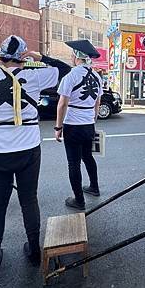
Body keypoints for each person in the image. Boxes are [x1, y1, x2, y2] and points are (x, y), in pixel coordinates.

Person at [0, 36, 70, 278]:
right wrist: (39, 58)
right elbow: (65, 70)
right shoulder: (34, 75)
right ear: (22, 57)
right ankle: (33, 251)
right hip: (28, 148)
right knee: (28, 199)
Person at [55, 40, 103, 211]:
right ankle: (94, 187)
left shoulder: (71, 76)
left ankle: (79, 200)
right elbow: (97, 102)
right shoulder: (97, 76)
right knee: (88, 157)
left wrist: (58, 127)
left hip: (73, 125)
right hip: (89, 124)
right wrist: (93, 120)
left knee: (73, 163)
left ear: (76, 57)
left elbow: (62, 104)